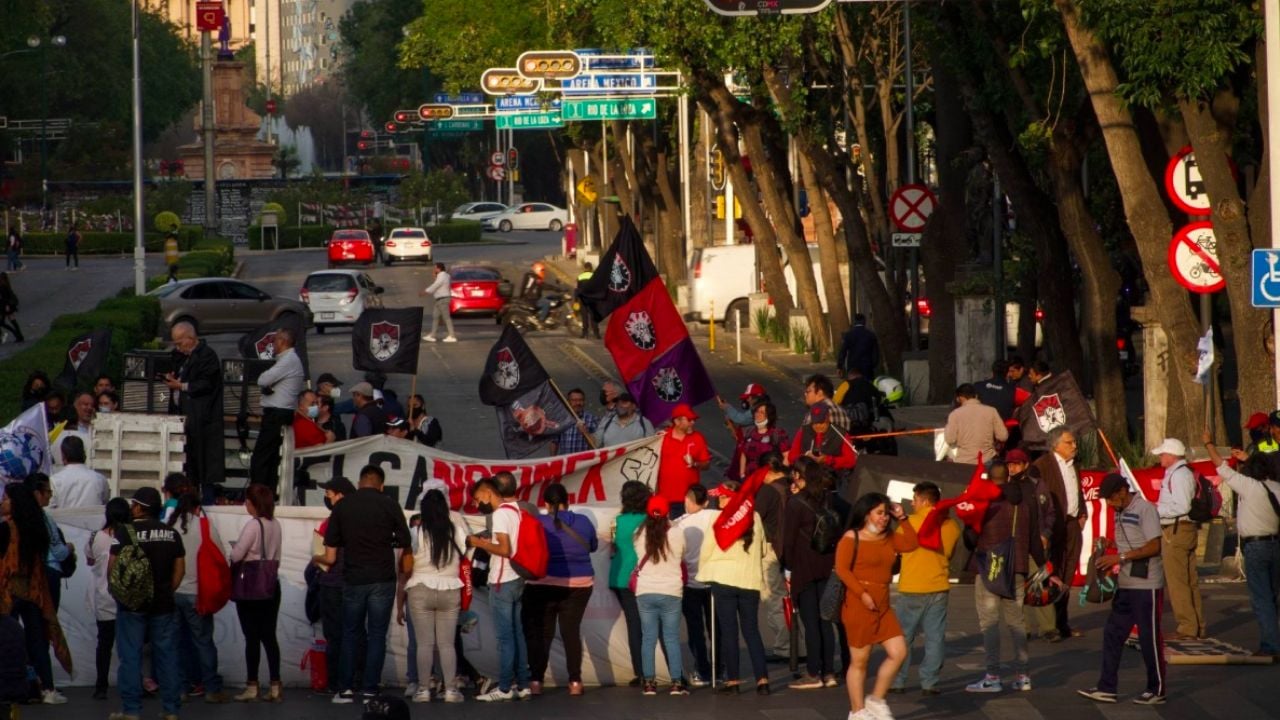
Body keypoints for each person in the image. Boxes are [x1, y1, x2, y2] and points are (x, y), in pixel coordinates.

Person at [323, 465, 413, 703]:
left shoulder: (342, 506)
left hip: (353, 578)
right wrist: (387, 539)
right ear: (380, 485)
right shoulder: (389, 504)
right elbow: (404, 538)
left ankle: (344, 690)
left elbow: (331, 542)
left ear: (360, 482)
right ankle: (370, 689)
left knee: (350, 633)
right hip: (382, 578)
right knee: (376, 635)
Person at [1077, 474, 1168, 706]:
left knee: (1149, 637)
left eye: (1110, 498)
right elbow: (1129, 542)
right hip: (1126, 583)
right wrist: (1109, 547)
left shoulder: (1145, 509)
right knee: (1112, 632)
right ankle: (1107, 687)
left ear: (1121, 492)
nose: (1108, 503)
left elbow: (1154, 545)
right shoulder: (1119, 512)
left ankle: (1156, 688)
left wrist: (1120, 556)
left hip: (1146, 583)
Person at [965, 459, 1050, 694]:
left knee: (989, 623)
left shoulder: (985, 502)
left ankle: (992, 675)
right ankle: (1023, 675)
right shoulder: (1024, 504)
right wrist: (1044, 566)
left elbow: (971, 539)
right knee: (1017, 622)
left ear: (989, 478)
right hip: (1017, 567)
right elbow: (1034, 539)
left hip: (989, 569)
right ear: (1008, 477)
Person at [836, 493, 917, 720]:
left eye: (885, 513)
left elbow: (912, 543)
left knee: (899, 651)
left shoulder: (889, 537)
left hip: (882, 603)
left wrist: (902, 518)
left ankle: (877, 699)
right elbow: (842, 569)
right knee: (860, 661)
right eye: (879, 513)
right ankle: (857, 711)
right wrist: (862, 594)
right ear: (866, 513)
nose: (883, 518)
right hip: (858, 603)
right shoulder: (852, 537)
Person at [112, 486, 185, 720]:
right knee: (167, 655)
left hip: (132, 606)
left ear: (140, 508)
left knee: (131, 656)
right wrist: (165, 591)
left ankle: (131, 710)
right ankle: (171, 710)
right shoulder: (171, 534)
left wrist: (124, 594)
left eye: (134, 504)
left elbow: (112, 568)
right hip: (163, 604)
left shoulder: (125, 532)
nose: (131, 508)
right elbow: (180, 571)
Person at [1204, 434, 1280, 657]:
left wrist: (1209, 443)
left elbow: (1221, 467)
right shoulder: (1276, 487)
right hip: (1275, 543)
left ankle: (1270, 644)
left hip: (1256, 547)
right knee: (1273, 596)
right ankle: (1273, 636)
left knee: (1261, 597)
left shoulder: (1249, 486)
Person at [523, 482, 597, 696]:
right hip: (579, 585)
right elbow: (592, 546)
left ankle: (536, 681)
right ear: (568, 501)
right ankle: (575, 682)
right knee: (570, 632)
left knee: (543, 634)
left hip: (542, 585)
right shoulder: (582, 521)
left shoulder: (536, 522)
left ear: (545, 504)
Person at [1, 483, 71, 706]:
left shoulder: (5, 529)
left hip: (8, 592)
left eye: (6, 498)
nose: (2, 502)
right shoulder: (37, 527)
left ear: (15, 503)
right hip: (33, 591)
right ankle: (46, 688)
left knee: (7, 640)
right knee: (37, 642)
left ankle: (13, 686)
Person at [465, 473, 533, 701]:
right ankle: (523, 684)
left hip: (502, 581)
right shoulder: (515, 510)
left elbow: (504, 549)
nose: (477, 504)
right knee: (517, 634)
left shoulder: (501, 514)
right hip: (516, 579)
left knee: (505, 637)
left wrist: (478, 542)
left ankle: (504, 687)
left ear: (487, 493)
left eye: (477, 499)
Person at [401, 481, 469, 703]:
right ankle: (450, 690)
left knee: (424, 644)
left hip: (420, 588)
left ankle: (423, 689)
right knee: (447, 644)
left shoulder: (414, 532)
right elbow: (466, 553)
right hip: (450, 589)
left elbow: (406, 566)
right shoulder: (456, 531)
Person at [699, 487, 770, 695]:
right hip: (750, 580)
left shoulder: (719, 520)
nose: (719, 500)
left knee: (729, 632)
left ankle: (733, 681)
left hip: (723, 579)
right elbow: (763, 549)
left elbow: (706, 551)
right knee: (752, 631)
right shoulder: (755, 517)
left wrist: (703, 572)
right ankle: (763, 680)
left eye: (722, 496)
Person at [891, 482, 959, 696]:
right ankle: (929, 682)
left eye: (915, 499)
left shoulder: (908, 523)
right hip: (938, 586)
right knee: (935, 637)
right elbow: (949, 554)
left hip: (912, 586)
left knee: (903, 637)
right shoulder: (951, 526)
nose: (912, 503)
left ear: (925, 501)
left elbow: (898, 551)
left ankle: (899, 680)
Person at [783, 460, 842, 689]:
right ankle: (829, 672)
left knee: (810, 622)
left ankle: (813, 672)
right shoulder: (827, 497)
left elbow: (788, 541)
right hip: (827, 563)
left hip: (804, 566)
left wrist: (787, 566)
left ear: (799, 475)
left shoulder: (795, 503)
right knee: (825, 620)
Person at [167, 482, 228, 703]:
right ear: (196, 507)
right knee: (203, 641)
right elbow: (221, 556)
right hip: (197, 593)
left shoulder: (170, 528)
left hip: (173, 592)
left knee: (178, 642)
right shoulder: (204, 526)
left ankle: (181, 688)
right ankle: (211, 688)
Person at [1030, 426, 1084, 643]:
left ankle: (1062, 622)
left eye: (1074, 442)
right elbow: (1035, 499)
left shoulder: (1074, 465)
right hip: (1052, 526)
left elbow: (1077, 491)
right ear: (1055, 445)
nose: (1074, 446)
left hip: (1072, 524)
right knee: (1051, 572)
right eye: (1069, 443)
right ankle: (1049, 625)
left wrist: (1083, 513)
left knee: (1067, 571)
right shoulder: (1041, 466)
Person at [230, 484, 284, 702]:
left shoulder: (253, 525)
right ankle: (275, 685)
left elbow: (236, 555)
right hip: (271, 585)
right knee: (269, 637)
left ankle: (252, 686)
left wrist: (232, 550)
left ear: (253, 503)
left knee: (251, 637)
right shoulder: (276, 524)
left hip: (251, 586)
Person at [633, 495, 689, 696]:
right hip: (672, 591)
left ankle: (649, 683)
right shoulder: (677, 532)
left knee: (648, 638)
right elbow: (683, 555)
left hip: (645, 590)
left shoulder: (639, 534)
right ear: (667, 512)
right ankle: (676, 682)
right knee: (672, 638)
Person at [1150, 437, 1205, 640]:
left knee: (1178, 582)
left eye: (1163, 454)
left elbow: (1182, 506)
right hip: (1183, 529)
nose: (1161, 457)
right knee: (1189, 581)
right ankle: (1197, 625)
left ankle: (1187, 627)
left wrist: (1156, 509)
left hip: (1177, 530)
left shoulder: (1179, 475)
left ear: (1172, 456)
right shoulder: (1181, 472)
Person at [165, 321, 225, 500]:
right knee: (186, 465)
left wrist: (181, 385)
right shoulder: (183, 357)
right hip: (183, 417)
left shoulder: (207, 355)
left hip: (202, 420)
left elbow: (207, 384)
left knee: (203, 466)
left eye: (180, 343)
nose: (178, 347)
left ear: (191, 338)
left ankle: (206, 502)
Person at [311, 477, 358, 694]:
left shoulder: (332, 522)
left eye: (329, 493)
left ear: (340, 495)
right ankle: (354, 680)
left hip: (332, 583)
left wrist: (315, 558)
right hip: (354, 583)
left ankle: (336, 682)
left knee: (334, 635)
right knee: (354, 633)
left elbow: (328, 558)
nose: (327, 498)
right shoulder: (359, 520)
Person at [607, 480, 652, 686]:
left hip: (619, 577)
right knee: (645, 624)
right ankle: (648, 670)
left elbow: (614, 545)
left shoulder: (618, 520)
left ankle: (640, 671)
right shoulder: (650, 521)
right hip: (641, 577)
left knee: (633, 624)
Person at [751, 452, 794, 662]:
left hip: (771, 548)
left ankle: (784, 647)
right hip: (792, 549)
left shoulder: (768, 491)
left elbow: (756, 519)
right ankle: (800, 645)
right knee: (793, 600)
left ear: (766, 471)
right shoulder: (793, 485)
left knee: (773, 597)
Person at [250, 328, 304, 491]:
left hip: (277, 414)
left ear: (282, 341)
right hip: (279, 413)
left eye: (274, 341)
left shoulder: (288, 360)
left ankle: (258, 492)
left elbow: (263, 379)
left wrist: (268, 383)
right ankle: (267, 491)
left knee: (261, 457)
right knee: (271, 458)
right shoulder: (288, 360)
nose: (273, 345)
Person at [87, 498, 130, 699]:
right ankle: (133, 683)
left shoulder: (95, 537)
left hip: (104, 598)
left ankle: (101, 686)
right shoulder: (132, 536)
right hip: (128, 598)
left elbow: (90, 560)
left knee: (104, 645)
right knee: (130, 645)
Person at [676, 484, 716, 687]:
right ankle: (721, 670)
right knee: (716, 629)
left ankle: (702, 670)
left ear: (686, 500)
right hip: (714, 583)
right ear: (706, 502)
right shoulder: (715, 516)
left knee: (695, 630)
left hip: (690, 585)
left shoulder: (679, 524)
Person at [656, 403, 710, 516]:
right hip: (665, 498)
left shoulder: (698, 438)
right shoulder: (661, 438)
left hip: (690, 499)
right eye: (689, 420)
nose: (693, 423)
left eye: (693, 420)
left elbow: (706, 464)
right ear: (677, 421)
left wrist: (695, 463)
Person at [943, 384, 1007, 465]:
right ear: (976, 396)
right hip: (987, 459)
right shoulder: (991, 411)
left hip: (964, 461)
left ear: (960, 398)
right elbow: (1003, 436)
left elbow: (950, 439)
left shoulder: (955, 414)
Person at [787, 403, 856, 472]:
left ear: (828, 417)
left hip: (830, 476)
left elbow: (851, 460)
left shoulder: (841, 434)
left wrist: (827, 460)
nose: (818, 426)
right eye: (815, 422)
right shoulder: (804, 431)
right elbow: (791, 457)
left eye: (821, 422)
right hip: (806, 474)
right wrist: (805, 457)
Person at [50, 434, 108, 508]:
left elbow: (50, 509)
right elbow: (105, 503)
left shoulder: (54, 481)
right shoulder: (100, 479)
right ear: (84, 454)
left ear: (63, 456)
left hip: (64, 519)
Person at [736, 401, 789, 479]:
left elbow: (786, 456)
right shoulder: (749, 431)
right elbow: (744, 454)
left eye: (762, 412)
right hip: (750, 478)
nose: (758, 414)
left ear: (769, 416)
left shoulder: (777, 433)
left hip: (768, 478)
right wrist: (742, 474)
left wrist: (780, 476)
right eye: (757, 411)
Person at [550, 387, 597, 455]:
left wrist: (586, 433)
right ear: (568, 402)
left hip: (584, 462)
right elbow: (554, 442)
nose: (578, 403)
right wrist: (553, 460)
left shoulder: (591, 419)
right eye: (574, 400)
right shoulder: (561, 419)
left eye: (581, 400)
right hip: (566, 462)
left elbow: (596, 445)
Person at [420, 263, 456, 343]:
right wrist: (435, 276)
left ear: (439, 268)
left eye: (435, 268)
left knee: (446, 318)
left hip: (443, 299)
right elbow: (438, 282)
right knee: (435, 316)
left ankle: (452, 335)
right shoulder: (445, 275)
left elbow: (436, 285)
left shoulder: (442, 276)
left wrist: (425, 291)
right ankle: (432, 335)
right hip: (439, 300)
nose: (434, 269)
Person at [837, 313, 880, 379]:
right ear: (864, 321)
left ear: (854, 322)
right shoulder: (871, 335)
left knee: (853, 386)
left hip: (853, 367)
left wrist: (840, 366)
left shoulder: (849, 335)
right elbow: (875, 353)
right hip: (867, 367)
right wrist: (873, 365)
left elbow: (843, 352)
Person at [575, 262, 600, 338]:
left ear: (584, 268)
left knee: (584, 317)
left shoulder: (580, 277)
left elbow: (577, 289)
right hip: (592, 299)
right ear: (591, 268)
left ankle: (584, 333)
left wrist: (576, 300)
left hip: (582, 299)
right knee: (593, 317)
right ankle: (596, 334)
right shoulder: (595, 276)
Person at [0, 272, 23, 343]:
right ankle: (19, 336)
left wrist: (7, 305)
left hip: (5, 306)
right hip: (8, 306)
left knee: (3, 322)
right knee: (12, 321)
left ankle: (17, 334)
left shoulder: (3, 286)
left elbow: (5, 297)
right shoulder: (7, 285)